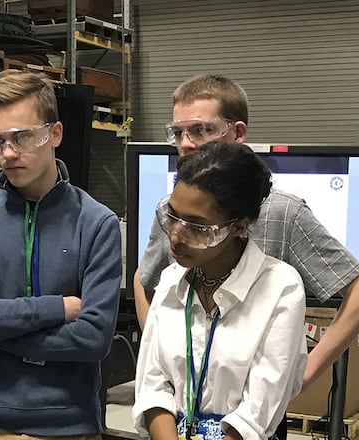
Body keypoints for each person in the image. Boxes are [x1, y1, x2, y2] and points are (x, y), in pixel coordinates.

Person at [134, 74, 359, 393]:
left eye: (200, 130)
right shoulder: (169, 209)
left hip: (253, 399)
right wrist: (156, 356)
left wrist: (304, 374)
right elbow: (144, 279)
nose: (186, 143)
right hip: (184, 397)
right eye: (178, 133)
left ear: (238, 132)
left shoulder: (281, 212)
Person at [0, 70, 123, 439]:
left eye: (22, 137)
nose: (7, 153)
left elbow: (93, 338)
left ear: (55, 134)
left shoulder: (96, 223)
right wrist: (57, 309)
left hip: (68, 427)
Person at [133, 141, 307, 440]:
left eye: (197, 227)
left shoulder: (279, 288)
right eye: (172, 217)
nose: (175, 237)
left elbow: (257, 412)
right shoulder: (172, 281)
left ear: (239, 227)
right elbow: (153, 386)